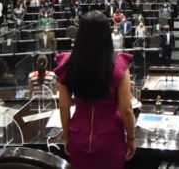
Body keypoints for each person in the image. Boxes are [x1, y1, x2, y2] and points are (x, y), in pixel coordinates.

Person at [54, 11, 136, 169]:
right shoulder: (118, 66)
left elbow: (64, 107)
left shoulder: (68, 63)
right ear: (107, 34)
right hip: (110, 139)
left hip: (78, 136)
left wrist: (67, 137)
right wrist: (131, 138)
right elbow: (126, 109)